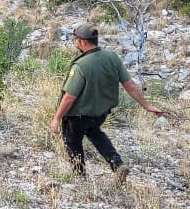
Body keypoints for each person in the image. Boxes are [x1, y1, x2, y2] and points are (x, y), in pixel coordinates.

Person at [50, 23, 163, 185]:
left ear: (83, 42)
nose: (75, 42)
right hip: (100, 114)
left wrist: (56, 118)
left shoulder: (81, 65)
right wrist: (147, 105)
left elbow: (69, 96)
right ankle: (117, 165)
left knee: (72, 142)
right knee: (96, 134)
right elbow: (130, 85)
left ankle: (80, 177)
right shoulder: (111, 57)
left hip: (78, 116)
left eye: (76, 40)